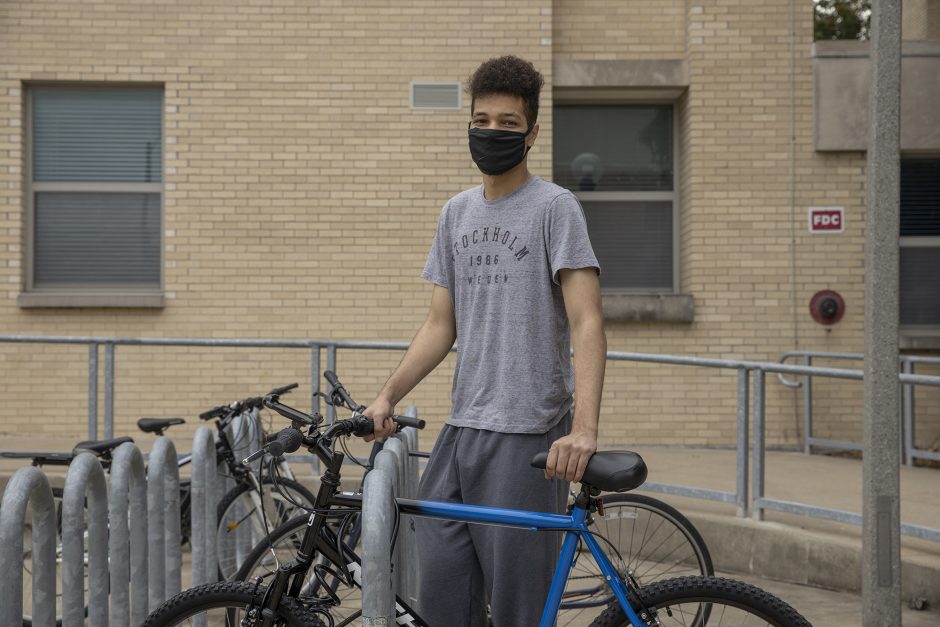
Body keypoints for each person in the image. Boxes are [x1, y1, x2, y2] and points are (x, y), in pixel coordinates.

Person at [362, 54, 606, 626]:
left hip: (525, 434)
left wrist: (585, 429)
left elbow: (587, 321)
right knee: (443, 598)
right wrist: (386, 396)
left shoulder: (555, 209)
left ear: (533, 132)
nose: (492, 132)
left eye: (508, 123)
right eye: (482, 120)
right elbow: (440, 325)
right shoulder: (456, 213)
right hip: (462, 428)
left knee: (519, 610)